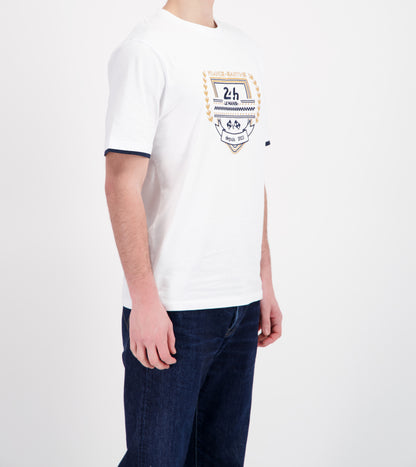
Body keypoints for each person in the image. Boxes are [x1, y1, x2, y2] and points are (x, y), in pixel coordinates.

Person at [104, 1, 283, 465]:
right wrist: (144, 301)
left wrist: (263, 279)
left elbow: (250, 173)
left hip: (240, 305)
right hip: (174, 308)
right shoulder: (145, 49)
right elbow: (121, 182)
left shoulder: (246, 50)